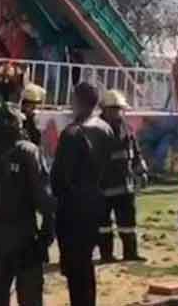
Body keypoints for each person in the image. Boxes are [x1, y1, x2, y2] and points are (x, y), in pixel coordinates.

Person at [0, 64, 54, 306]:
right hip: (21, 231)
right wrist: (46, 234)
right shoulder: (27, 150)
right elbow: (44, 198)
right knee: (29, 293)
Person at [51, 82, 115, 306]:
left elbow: (60, 177)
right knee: (86, 264)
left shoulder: (72, 133)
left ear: (77, 100)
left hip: (72, 208)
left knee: (75, 268)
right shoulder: (106, 129)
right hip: (97, 204)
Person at [96, 89, 150, 263]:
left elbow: (135, 152)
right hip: (102, 187)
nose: (118, 113)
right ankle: (106, 255)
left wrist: (141, 171)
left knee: (128, 224)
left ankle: (130, 253)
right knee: (103, 225)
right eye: (115, 109)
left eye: (120, 109)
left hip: (125, 185)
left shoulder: (126, 128)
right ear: (105, 109)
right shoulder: (95, 129)